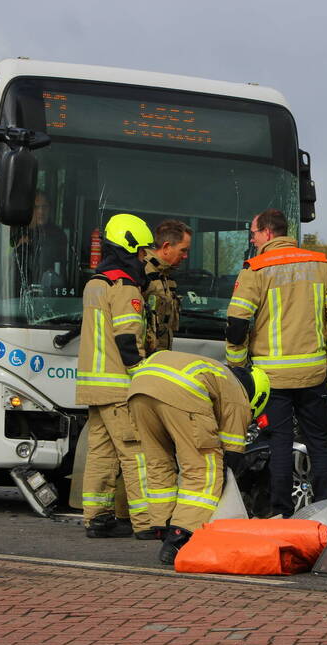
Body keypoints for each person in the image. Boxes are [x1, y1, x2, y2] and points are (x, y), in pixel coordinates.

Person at [224, 209, 327, 517]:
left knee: (279, 444)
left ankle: (280, 514)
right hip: (313, 374)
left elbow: (237, 324)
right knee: (319, 444)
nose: (252, 239)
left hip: (272, 377)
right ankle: (324, 513)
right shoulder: (320, 264)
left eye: (253, 233)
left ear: (268, 233)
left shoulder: (255, 269)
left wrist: (238, 368)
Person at [127, 350, 270, 564]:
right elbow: (231, 453)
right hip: (182, 392)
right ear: (256, 397)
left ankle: (162, 525)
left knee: (159, 463)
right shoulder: (239, 395)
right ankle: (180, 535)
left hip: (139, 388)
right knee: (204, 468)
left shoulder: (218, 372)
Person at [76, 213, 154, 539]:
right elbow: (126, 339)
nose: (143, 259)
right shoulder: (123, 285)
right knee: (135, 452)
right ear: (129, 246)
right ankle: (148, 522)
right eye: (140, 252)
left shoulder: (96, 282)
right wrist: (143, 378)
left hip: (94, 385)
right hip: (118, 384)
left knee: (101, 452)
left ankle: (97, 517)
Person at [144, 220, 192, 352]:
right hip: (142, 360)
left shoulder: (165, 275)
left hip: (159, 356)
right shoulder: (142, 272)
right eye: (183, 250)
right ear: (166, 247)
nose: (186, 256)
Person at [11, 191, 68, 288]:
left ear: (50, 209)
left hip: (49, 290)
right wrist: (19, 248)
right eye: (36, 207)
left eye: (44, 207)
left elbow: (61, 269)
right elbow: (11, 267)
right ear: (30, 210)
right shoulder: (20, 232)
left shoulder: (58, 235)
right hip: (22, 291)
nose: (41, 211)